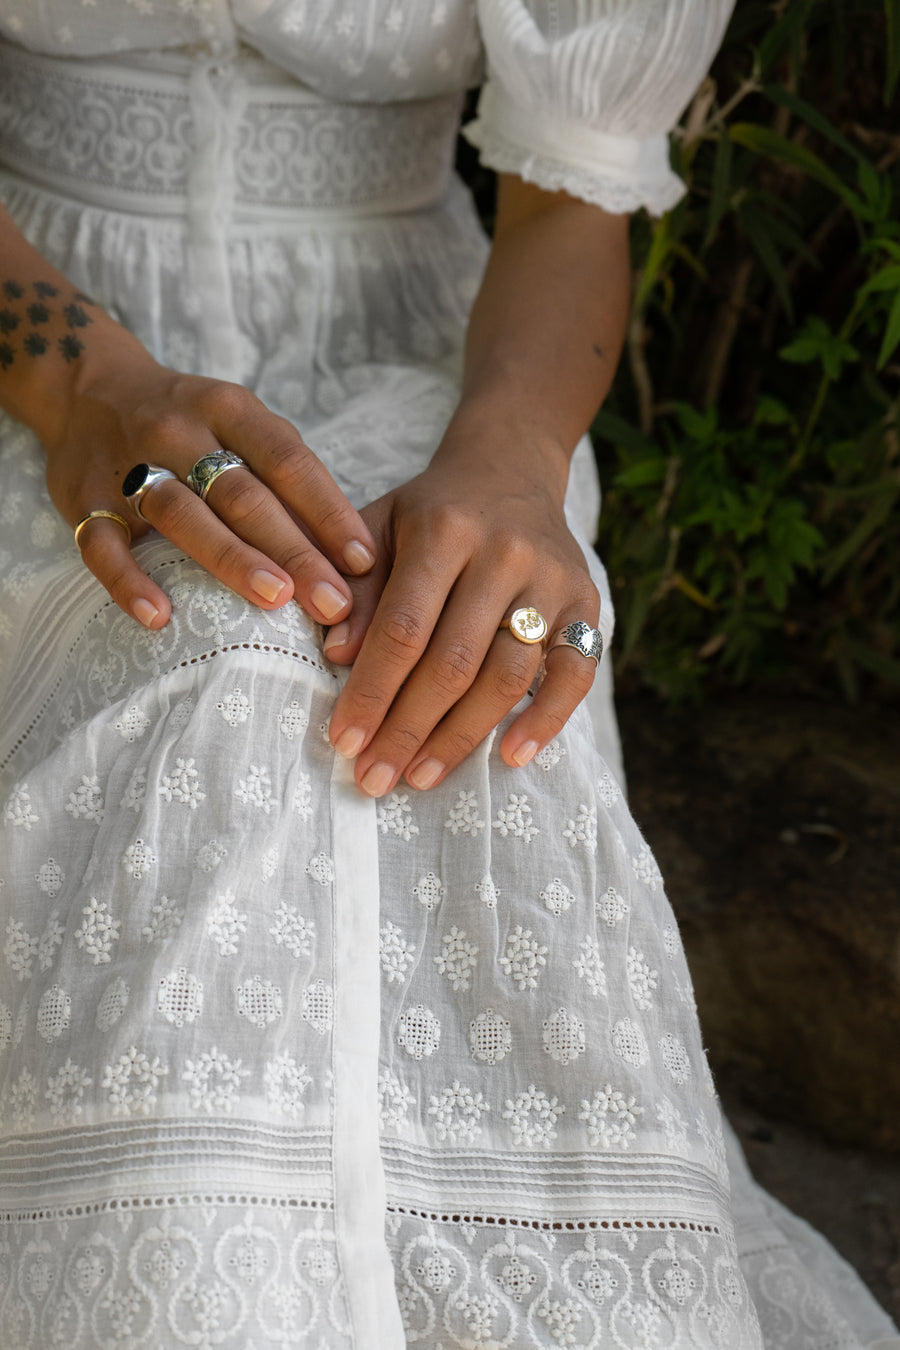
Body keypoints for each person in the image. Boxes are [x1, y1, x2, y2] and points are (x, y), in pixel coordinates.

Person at [0, 4, 896, 1348]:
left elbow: (567, 206)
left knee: (392, 658)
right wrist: (78, 384)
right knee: (225, 655)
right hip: (38, 353)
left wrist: (515, 462)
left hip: (443, 366)